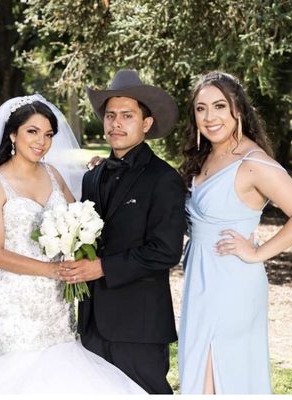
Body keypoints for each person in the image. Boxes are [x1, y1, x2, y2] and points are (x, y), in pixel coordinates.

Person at [0, 94, 145, 394]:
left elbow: (79, 220)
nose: (41, 142)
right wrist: (51, 270)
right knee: (24, 374)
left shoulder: (52, 173)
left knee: (63, 369)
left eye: (48, 135)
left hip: (57, 298)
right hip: (16, 298)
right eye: (32, 132)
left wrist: (77, 243)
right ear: (12, 134)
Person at [178, 71, 292, 394]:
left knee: (221, 376)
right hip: (199, 282)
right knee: (199, 372)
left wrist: (258, 252)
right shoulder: (207, 156)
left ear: (237, 110)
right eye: (201, 108)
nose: (209, 117)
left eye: (219, 106)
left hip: (232, 284)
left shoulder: (253, 162)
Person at [60, 69, 187, 394]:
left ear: (146, 124)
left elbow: (165, 250)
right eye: (111, 115)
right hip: (91, 323)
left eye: (127, 116)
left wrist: (100, 267)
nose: (116, 123)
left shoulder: (164, 179)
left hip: (139, 327)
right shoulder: (92, 177)